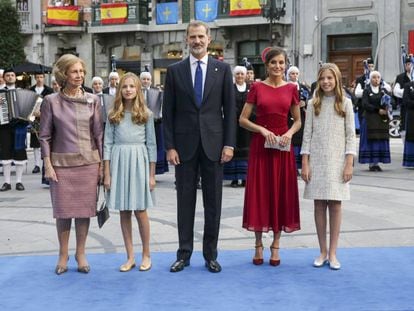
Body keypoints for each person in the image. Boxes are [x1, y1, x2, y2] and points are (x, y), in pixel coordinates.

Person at [163, 20, 236, 273]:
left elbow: (230, 110)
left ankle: (210, 255)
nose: (196, 41)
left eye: (200, 37)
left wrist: (229, 144)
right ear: (186, 39)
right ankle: (184, 254)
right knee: (185, 202)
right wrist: (169, 146)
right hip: (183, 148)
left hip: (215, 147)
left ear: (209, 38)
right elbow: (168, 113)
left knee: (213, 203)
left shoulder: (222, 70)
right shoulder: (174, 71)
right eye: (192, 37)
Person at [39, 54, 104, 275]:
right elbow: (45, 135)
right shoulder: (51, 101)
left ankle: (81, 253)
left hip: (88, 163)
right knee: (64, 212)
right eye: (75, 71)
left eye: (82, 71)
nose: (80, 76)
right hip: (61, 165)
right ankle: (63, 254)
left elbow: (99, 135)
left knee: (84, 211)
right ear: (64, 74)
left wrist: (103, 165)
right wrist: (47, 163)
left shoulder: (93, 100)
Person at [239, 47, 301, 267]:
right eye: (274, 63)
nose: (278, 67)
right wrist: (261, 130)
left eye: (281, 63)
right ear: (267, 65)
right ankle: (258, 244)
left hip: (283, 149)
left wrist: (288, 133)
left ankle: (276, 245)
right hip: (261, 148)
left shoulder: (292, 88)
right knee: (260, 194)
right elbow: (243, 119)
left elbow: (298, 121)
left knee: (280, 193)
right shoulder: (256, 87)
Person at [301, 63, 356, 270]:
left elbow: (351, 136)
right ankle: (322, 250)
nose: (326, 82)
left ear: (337, 80)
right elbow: (307, 135)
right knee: (318, 204)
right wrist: (305, 162)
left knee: (335, 204)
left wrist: (349, 162)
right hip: (317, 160)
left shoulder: (346, 103)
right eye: (322, 78)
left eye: (330, 78)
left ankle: (333, 253)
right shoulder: (313, 102)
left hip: (337, 160)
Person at [104, 72, 156, 272]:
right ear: (119, 89)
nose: (128, 90)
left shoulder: (146, 114)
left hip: (138, 161)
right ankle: (130, 256)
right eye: (124, 86)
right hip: (118, 161)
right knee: (124, 211)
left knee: (140, 210)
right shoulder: (112, 114)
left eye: (131, 86)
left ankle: (146, 254)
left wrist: (151, 175)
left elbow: (152, 145)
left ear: (138, 90)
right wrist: (107, 173)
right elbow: (107, 144)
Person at [0, 68, 28, 191]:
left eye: (12, 75)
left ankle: (19, 181)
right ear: (4, 78)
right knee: (5, 152)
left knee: (19, 152)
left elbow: (31, 109)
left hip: (19, 126)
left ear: (15, 77)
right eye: (8, 75)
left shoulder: (22, 92)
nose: (10, 77)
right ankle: (6, 182)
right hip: (4, 126)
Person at [358, 71, 392, 171]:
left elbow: (392, 101)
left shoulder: (383, 91)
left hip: (380, 121)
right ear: (370, 79)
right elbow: (365, 104)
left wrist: (387, 106)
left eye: (378, 77)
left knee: (379, 140)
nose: (376, 79)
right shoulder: (367, 91)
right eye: (374, 77)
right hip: (369, 119)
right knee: (370, 141)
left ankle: (377, 162)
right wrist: (378, 110)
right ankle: (371, 163)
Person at [224, 65, 250, 187]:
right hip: (233, 123)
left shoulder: (251, 88)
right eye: (237, 74)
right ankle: (234, 178)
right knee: (233, 148)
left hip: (247, 125)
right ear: (234, 76)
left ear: (245, 76)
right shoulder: (230, 88)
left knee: (246, 151)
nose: (240, 76)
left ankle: (245, 178)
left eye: (242, 74)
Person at [140, 71, 169, 175]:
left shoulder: (157, 91)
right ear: (140, 80)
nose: (146, 81)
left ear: (151, 81)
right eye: (144, 79)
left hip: (155, 123)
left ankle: (155, 170)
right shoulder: (136, 91)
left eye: (148, 79)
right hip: (139, 123)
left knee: (155, 146)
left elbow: (162, 105)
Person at [286, 66, 310, 173]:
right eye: (292, 74)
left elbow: (309, 99)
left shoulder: (303, 87)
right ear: (288, 75)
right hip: (288, 116)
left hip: (301, 116)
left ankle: (299, 166)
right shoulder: (285, 86)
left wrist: (305, 104)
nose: (294, 76)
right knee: (291, 140)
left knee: (300, 140)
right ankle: (291, 166)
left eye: (296, 74)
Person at [29, 72, 54, 174]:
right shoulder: (31, 90)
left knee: (46, 140)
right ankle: (36, 164)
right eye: (37, 77)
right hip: (34, 119)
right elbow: (28, 103)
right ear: (35, 78)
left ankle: (45, 162)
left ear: (44, 78)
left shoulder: (49, 90)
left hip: (46, 118)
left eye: (41, 77)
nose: (39, 79)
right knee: (35, 142)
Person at [393, 56, 412, 143]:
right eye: (407, 64)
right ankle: (406, 148)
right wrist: (408, 91)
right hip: (406, 106)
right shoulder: (400, 77)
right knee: (404, 126)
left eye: (411, 64)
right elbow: (396, 91)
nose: (409, 66)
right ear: (405, 65)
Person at [354, 58, 375, 125]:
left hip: (374, 107)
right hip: (363, 108)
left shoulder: (377, 78)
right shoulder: (360, 79)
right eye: (369, 66)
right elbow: (357, 93)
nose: (370, 68)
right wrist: (369, 92)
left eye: (372, 66)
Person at [402, 80, 414, 167]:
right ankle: (411, 161)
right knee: (411, 136)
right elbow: (405, 101)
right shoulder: (408, 85)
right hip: (411, 115)